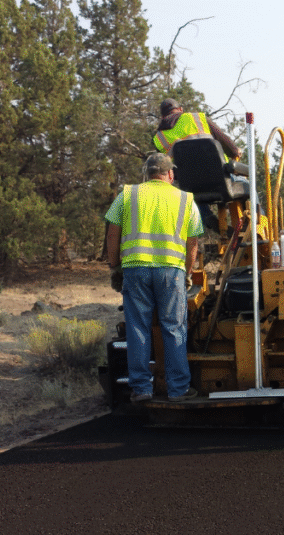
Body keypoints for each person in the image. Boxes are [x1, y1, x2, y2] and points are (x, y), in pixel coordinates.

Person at [105, 153, 203, 403]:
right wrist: (187, 272)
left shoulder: (127, 195)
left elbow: (113, 232)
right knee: (174, 328)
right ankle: (178, 390)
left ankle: (141, 388)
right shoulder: (186, 199)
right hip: (171, 271)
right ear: (170, 174)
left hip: (135, 270)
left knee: (138, 328)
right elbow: (193, 243)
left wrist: (115, 265)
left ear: (146, 174)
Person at [154, 98, 242, 161]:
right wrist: (235, 151)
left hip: (187, 182)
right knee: (243, 182)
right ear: (181, 109)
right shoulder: (197, 118)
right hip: (219, 175)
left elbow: (162, 164)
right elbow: (222, 138)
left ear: (162, 116)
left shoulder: (159, 137)